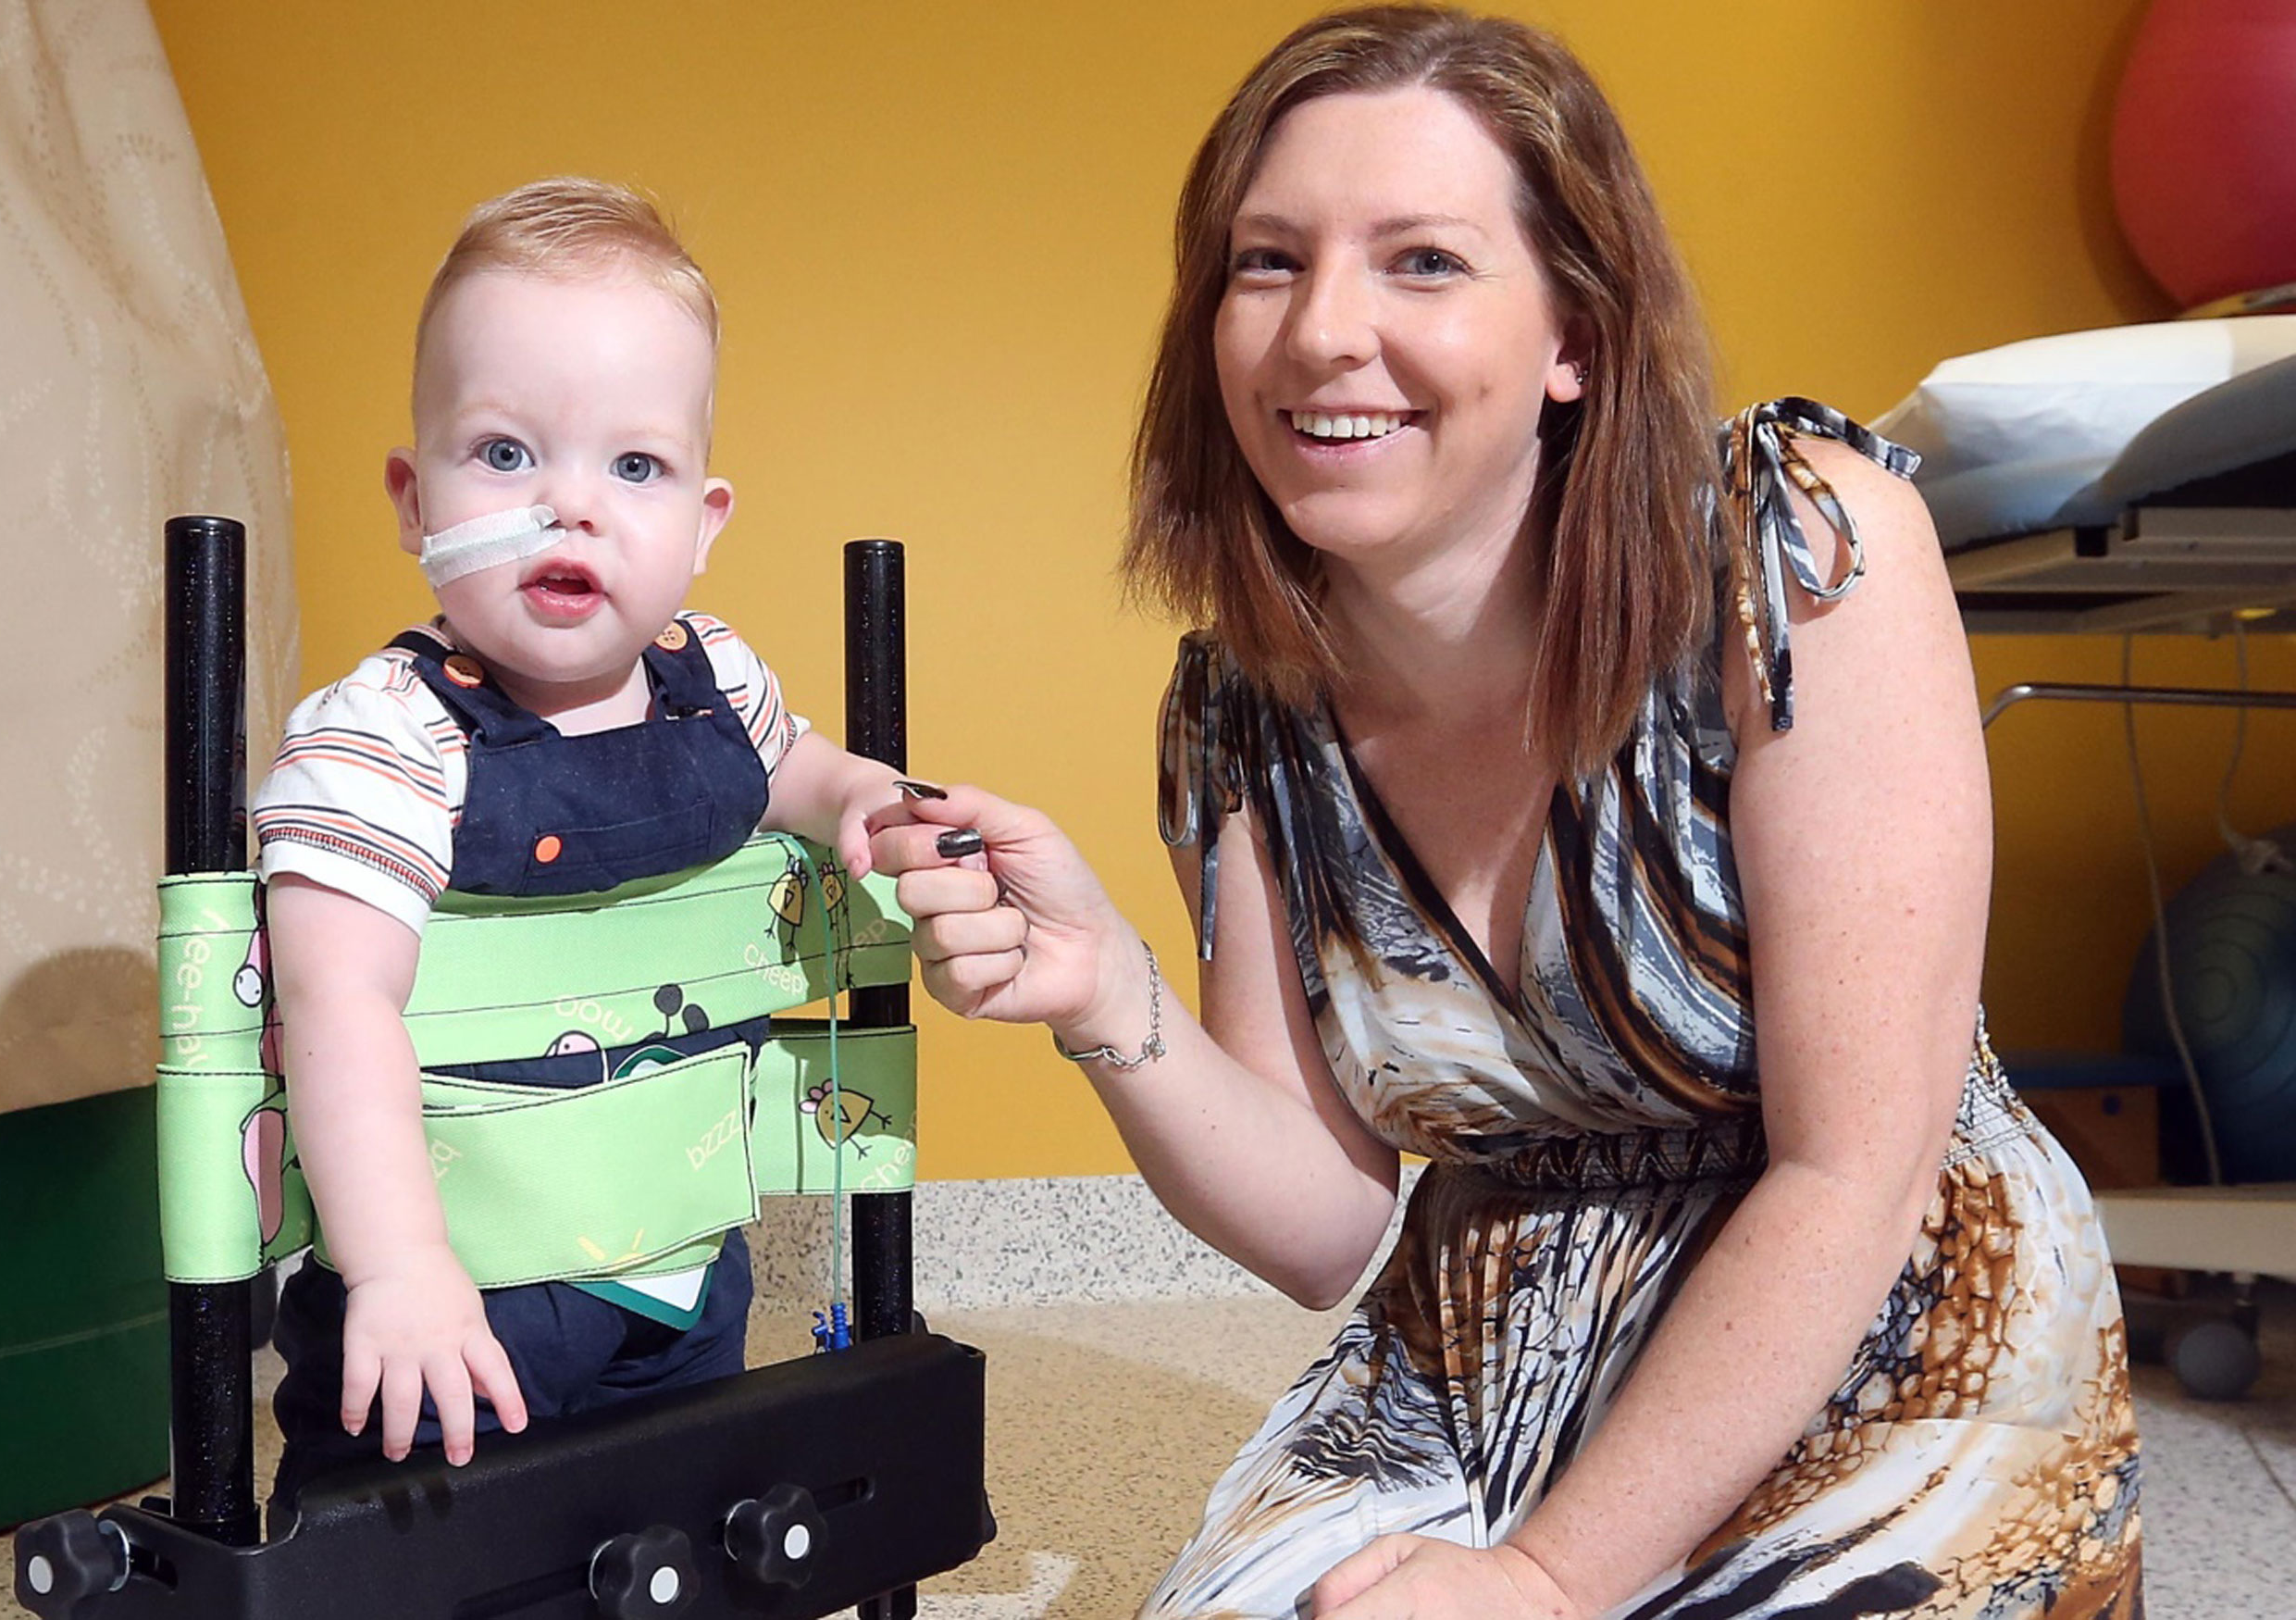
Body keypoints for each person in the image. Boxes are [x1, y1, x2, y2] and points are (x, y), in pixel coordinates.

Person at [870, 9, 2141, 1616]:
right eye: (1268, 262)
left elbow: (1855, 1176)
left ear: (1576, 338)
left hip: (1880, 1319)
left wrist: (1541, 1576)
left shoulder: (1797, 553)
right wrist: (1107, 991)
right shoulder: (1243, 707)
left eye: (1423, 261)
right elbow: (1324, 1227)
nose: (1321, 330)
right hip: (1481, 1352)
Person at [252, 177, 908, 1504]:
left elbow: (797, 769)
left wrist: (858, 799)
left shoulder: (715, 685)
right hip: (460, 1290)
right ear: (413, 500)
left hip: (684, 1262)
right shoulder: (382, 740)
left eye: (635, 467)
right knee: (421, 1550)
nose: (571, 505)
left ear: (703, 523)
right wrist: (398, 1265)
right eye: (505, 454)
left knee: (666, 1530)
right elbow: (334, 1001)